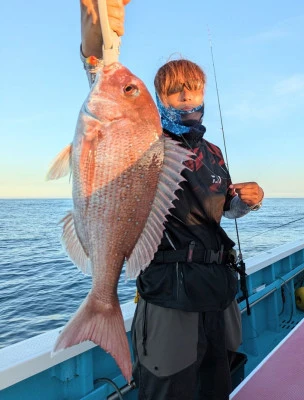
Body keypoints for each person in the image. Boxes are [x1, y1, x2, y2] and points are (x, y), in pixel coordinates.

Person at [80, 1, 264, 398]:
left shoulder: (213, 152)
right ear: (160, 96)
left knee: (218, 385)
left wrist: (247, 201)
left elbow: (223, 210)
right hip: (168, 292)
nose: (185, 95)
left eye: (192, 87)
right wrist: (96, 30)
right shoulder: (144, 141)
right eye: (174, 89)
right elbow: (99, 72)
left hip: (218, 290)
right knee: (168, 389)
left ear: (202, 92)